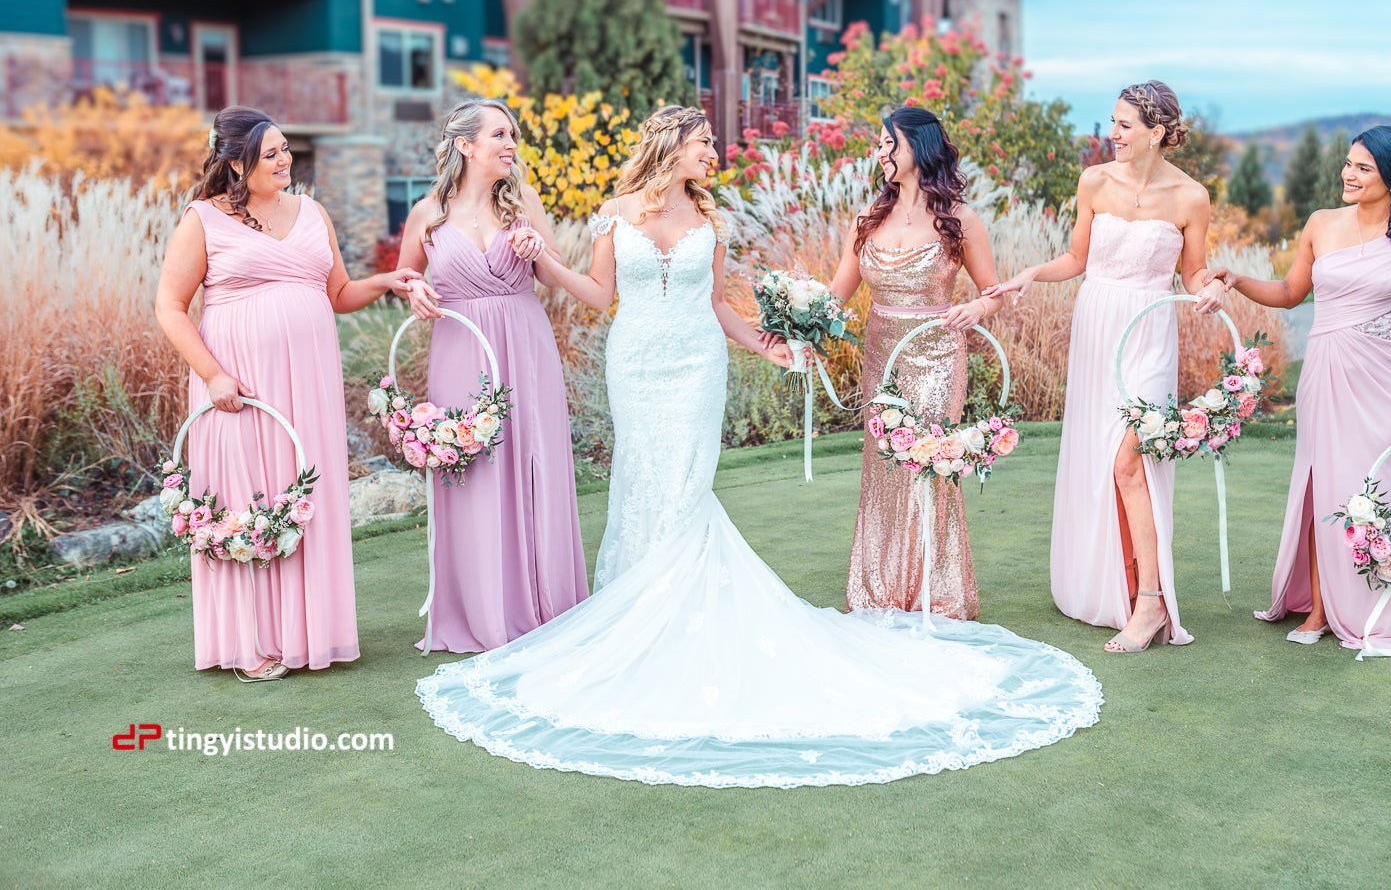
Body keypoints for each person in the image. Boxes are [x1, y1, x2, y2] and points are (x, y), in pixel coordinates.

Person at [417, 106, 1103, 787]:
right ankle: (640, 619)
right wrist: (546, 269)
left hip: (696, 366)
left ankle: (675, 620)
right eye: (704, 142)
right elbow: (599, 295)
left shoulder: (710, 223)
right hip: (635, 365)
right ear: (671, 146)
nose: (714, 151)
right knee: (641, 483)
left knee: (686, 487)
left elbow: (716, 306)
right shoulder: (615, 211)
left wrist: (767, 345)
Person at [155, 105, 418, 680]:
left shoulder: (312, 211)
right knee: (248, 492)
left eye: (284, 149)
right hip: (239, 381)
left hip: (310, 380)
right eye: (270, 152)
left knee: (303, 493)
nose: (285, 159)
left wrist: (385, 281)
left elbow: (338, 292)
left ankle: (311, 632)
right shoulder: (203, 219)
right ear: (237, 163)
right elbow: (169, 308)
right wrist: (214, 373)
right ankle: (252, 643)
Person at [986, 81, 1224, 653]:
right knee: (1102, 460)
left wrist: (1210, 288)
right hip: (1096, 329)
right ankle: (1110, 585)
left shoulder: (1192, 197)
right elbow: (1076, 258)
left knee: (1130, 463)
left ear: (1158, 133)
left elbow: (1191, 275)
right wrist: (1029, 275)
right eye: (1112, 123)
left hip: (1150, 332)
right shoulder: (1094, 181)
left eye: (1124, 126)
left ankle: (1151, 606)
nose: (1111, 135)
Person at [1209, 124, 1391, 655]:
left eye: (1363, 167)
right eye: (1347, 163)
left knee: (1377, 486)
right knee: (1322, 485)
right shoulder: (1320, 224)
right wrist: (1236, 279)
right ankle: (1318, 607)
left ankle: (1378, 605)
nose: (1348, 174)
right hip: (1326, 371)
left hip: (1389, 380)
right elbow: (1292, 292)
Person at [396, 99, 589, 652]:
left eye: (514, 135)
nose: (511, 144)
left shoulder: (522, 202)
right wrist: (414, 292)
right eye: (500, 135)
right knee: (473, 468)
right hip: (459, 349)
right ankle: (479, 612)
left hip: (525, 347)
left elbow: (554, 278)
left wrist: (536, 252)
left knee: (535, 463)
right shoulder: (427, 213)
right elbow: (407, 277)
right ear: (465, 145)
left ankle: (544, 603)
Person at [825, 106, 1001, 620]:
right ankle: (880, 590)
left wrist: (975, 308)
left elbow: (993, 292)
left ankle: (936, 592)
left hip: (938, 355)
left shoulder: (960, 219)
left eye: (888, 144)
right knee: (882, 467)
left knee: (926, 462)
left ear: (918, 148)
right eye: (879, 145)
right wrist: (801, 319)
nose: (880, 153)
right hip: (882, 358)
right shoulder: (868, 220)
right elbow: (836, 295)